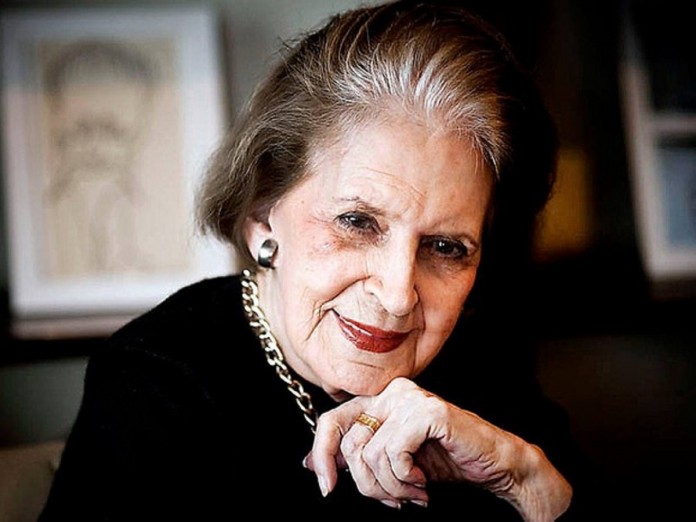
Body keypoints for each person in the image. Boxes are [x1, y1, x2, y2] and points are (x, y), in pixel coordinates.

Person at [39, 1, 601, 520]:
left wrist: (523, 479)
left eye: (446, 247)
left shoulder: (484, 362)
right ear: (263, 213)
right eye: (357, 222)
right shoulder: (155, 385)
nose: (397, 294)